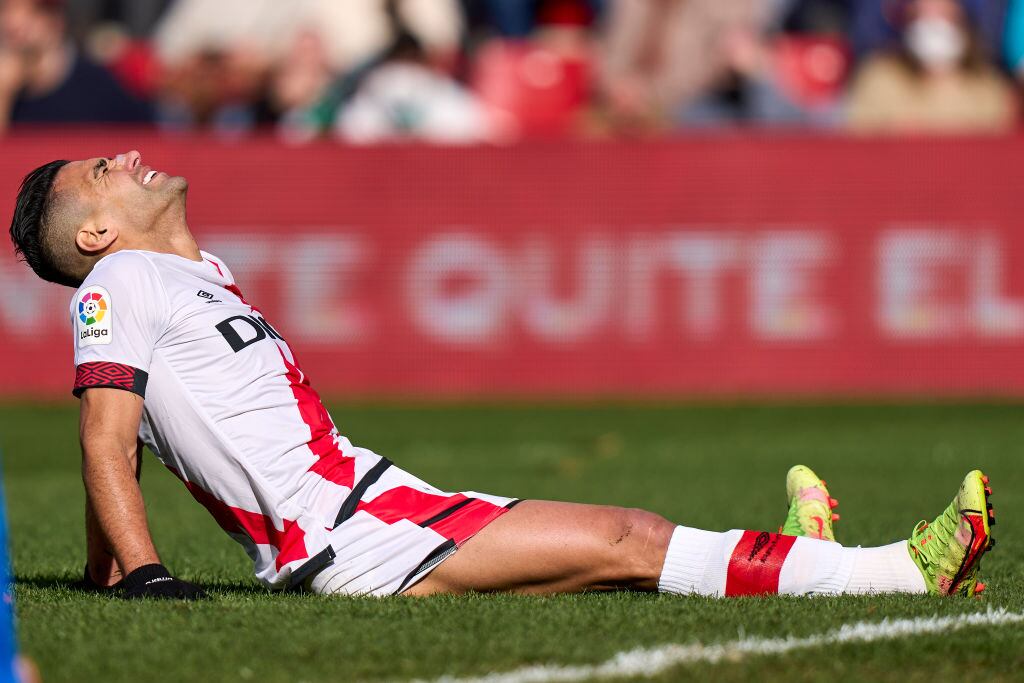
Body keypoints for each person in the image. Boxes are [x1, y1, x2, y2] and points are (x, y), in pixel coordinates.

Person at [7, 150, 996, 599]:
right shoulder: (127, 276)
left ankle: (800, 567)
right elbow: (106, 427)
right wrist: (141, 576)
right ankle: (900, 569)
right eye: (101, 173)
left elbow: (123, 432)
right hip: (351, 535)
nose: (126, 158)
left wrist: (103, 565)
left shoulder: (191, 276)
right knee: (629, 538)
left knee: (616, 564)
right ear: (97, 235)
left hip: (376, 502)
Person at [846, 0, 1016, 133]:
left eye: (942, 12)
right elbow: (856, 144)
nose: (932, 23)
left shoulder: (988, 86)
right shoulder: (879, 79)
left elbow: (1000, 152)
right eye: (922, 13)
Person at [0, 0, 152, 133]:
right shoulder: (6, 87)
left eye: (33, 12)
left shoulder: (99, 86)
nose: (13, 22)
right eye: (5, 9)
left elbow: (150, 139)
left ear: (57, 18)